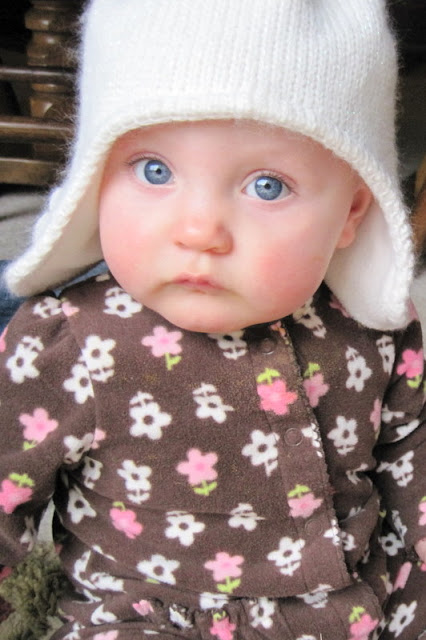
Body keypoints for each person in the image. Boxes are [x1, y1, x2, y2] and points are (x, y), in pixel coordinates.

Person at [0, 1, 425, 638]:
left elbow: (410, 458)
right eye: (154, 171)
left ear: (351, 213)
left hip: (344, 613)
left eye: (267, 186)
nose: (199, 231)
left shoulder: (374, 335)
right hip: (143, 616)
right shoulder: (69, 341)